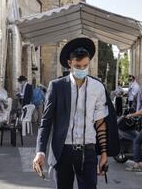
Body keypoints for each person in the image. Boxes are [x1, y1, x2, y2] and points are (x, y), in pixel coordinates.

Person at [33, 37, 108, 189]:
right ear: (70, 64)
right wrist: (40, 151)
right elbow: (46, 122)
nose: (82, 69)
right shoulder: (57, 86)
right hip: (63, 150)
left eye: (85, 66)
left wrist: (104, 153)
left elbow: (100, 122)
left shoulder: (98, 88)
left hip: (88, 151)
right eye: (78, 66)